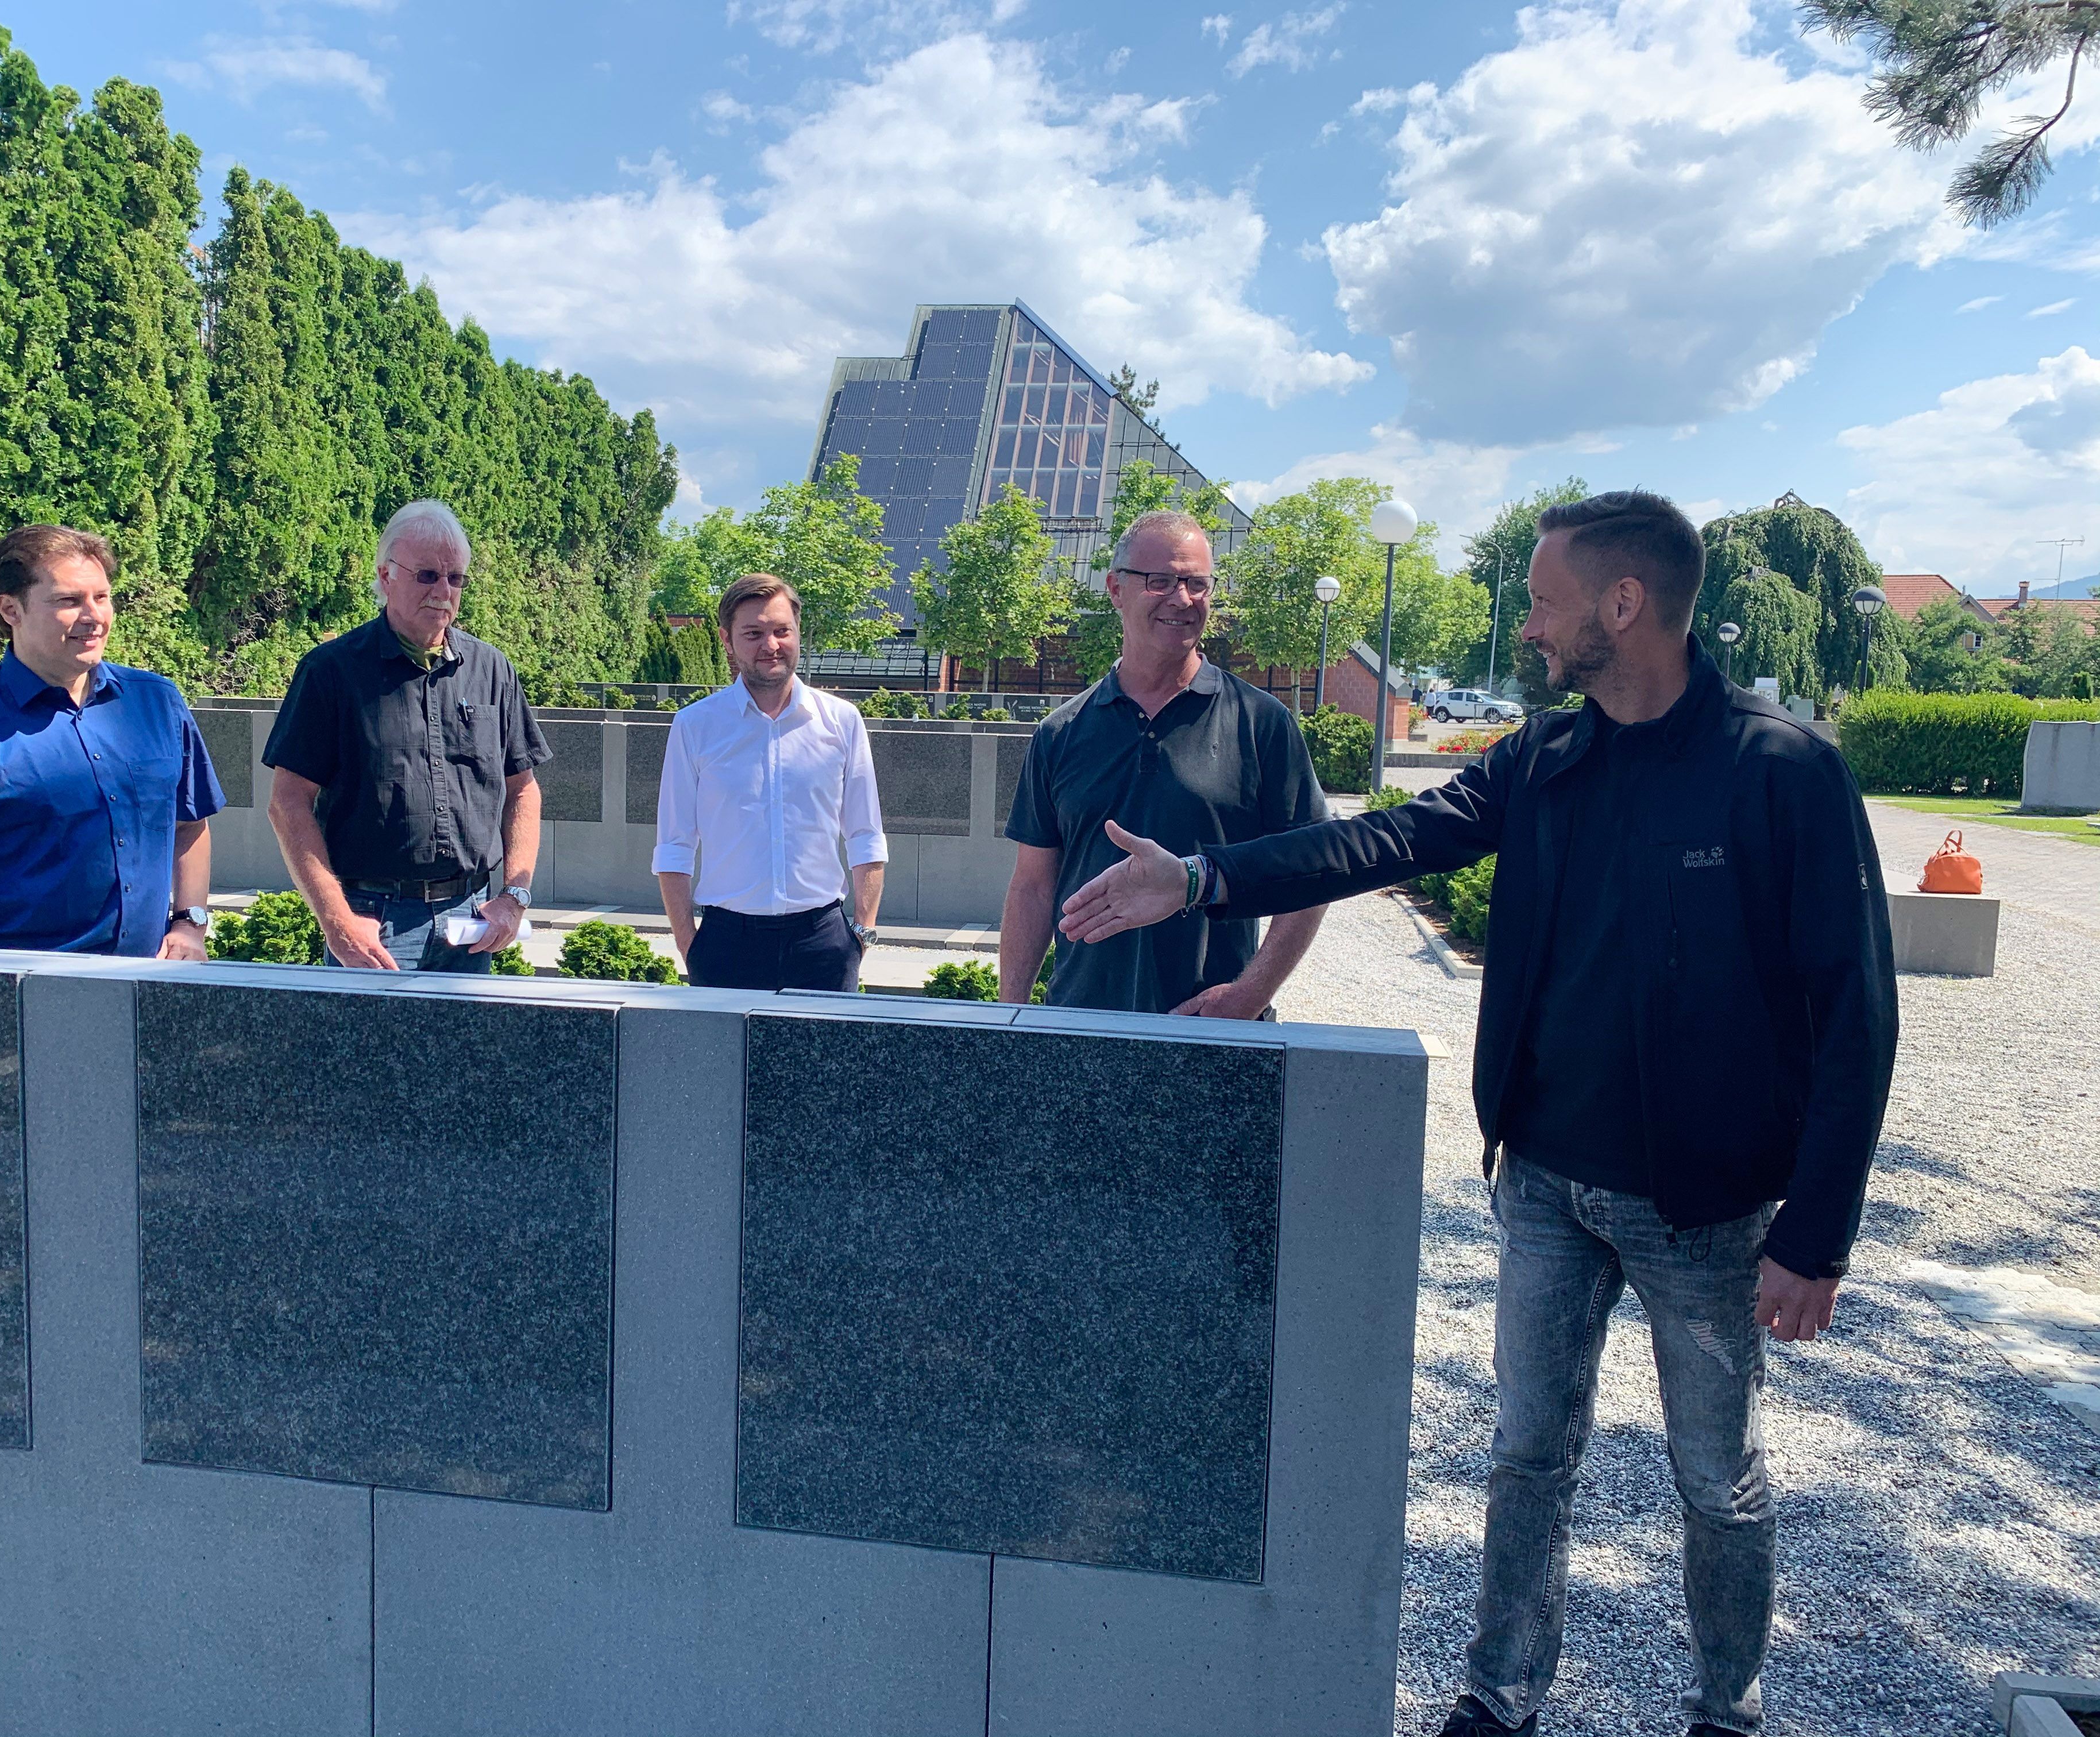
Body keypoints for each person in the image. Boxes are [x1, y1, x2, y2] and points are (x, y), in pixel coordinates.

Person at [1059, 490, 1897, 1737]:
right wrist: (1200, 878)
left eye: (1548, 603)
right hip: (1548, 1182)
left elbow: (1859, 1014)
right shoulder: (1547, 758)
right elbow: (1385, 841)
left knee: (1718, 1481)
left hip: (1709, 1208)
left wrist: (1814, 1235)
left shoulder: (1782, 772)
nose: (1532, 629)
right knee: (1525, 1461)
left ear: (1624, 605)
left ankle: (1730, 1707)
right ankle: (1500, 1698)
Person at [998, 508, 1327, 1016]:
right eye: (1160, 581)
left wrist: (1250, 994)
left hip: (1214, 1028)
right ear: (1115, 589)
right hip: (1081, 1024)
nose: (1183, 599)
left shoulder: (1262, 724)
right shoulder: (1060, 733)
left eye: (1198, 583)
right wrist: (1011, 1014)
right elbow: (1033, 887)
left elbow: (1312, 871)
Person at [0, 525, 224, 958]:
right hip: (18, 996)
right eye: (69, 601)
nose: (95, 617)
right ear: (11, 609)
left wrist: (189, 925)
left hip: (148, 984)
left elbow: (190, 825)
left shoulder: (157, 701)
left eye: (102, 597)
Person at [263, 500, 549, 972]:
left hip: (470, 924)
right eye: (427, 575)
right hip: (373, 923)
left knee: (464, 1051)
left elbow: (524, 791)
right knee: (366, 1050)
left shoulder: (492, 670)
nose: (443, 590)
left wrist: (513, 898)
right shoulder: (331, 672)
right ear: (386, 575)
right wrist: (337, 921)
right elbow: (288, 803)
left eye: (456, 578)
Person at [654, 573, 885, 991]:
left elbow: (866, 835)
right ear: (727, 640)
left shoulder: (842, 722)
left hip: (824, 944)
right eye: (753, 633)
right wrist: (690, 946)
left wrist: (862, 935)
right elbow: (674, 846)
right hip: (726, 945)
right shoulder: (695, 726)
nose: (771, 645)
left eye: (782, 631)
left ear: (797, 631)